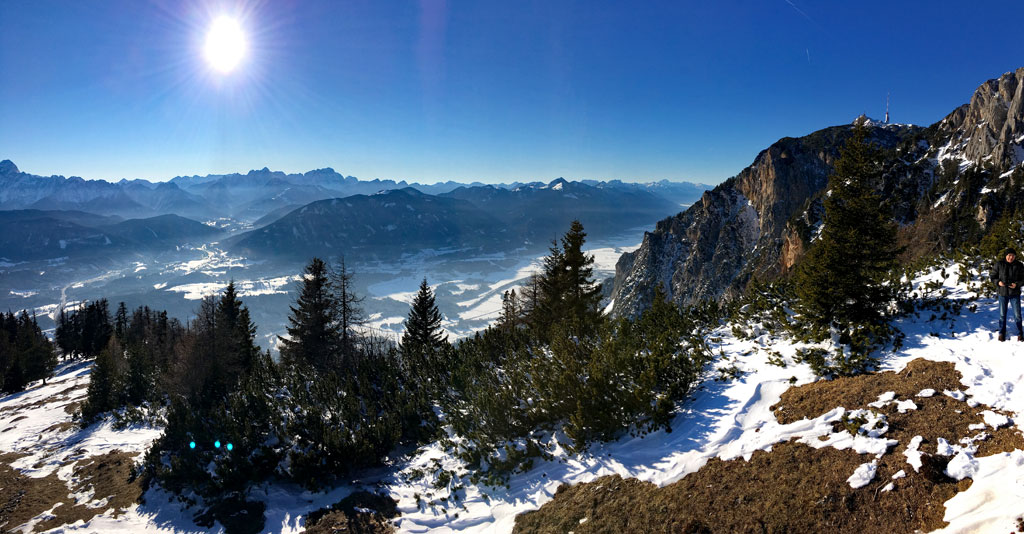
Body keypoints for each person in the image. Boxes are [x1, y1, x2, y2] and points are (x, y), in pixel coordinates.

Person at [990, 247, 1024, 341]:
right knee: (1002, 315)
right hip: (1002, 293)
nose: (1011, 257)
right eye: (1009, 255)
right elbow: (993, 276)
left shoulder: (1019, 265)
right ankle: (1002, 332)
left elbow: (1023, 279)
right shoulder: (999, 264)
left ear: (1015, 257)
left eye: (1013, 256)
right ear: (1006, 256)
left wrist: (1017, 284)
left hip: (1015, 293)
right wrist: (998, 282)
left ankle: (1020, 333)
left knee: (1017, 315)